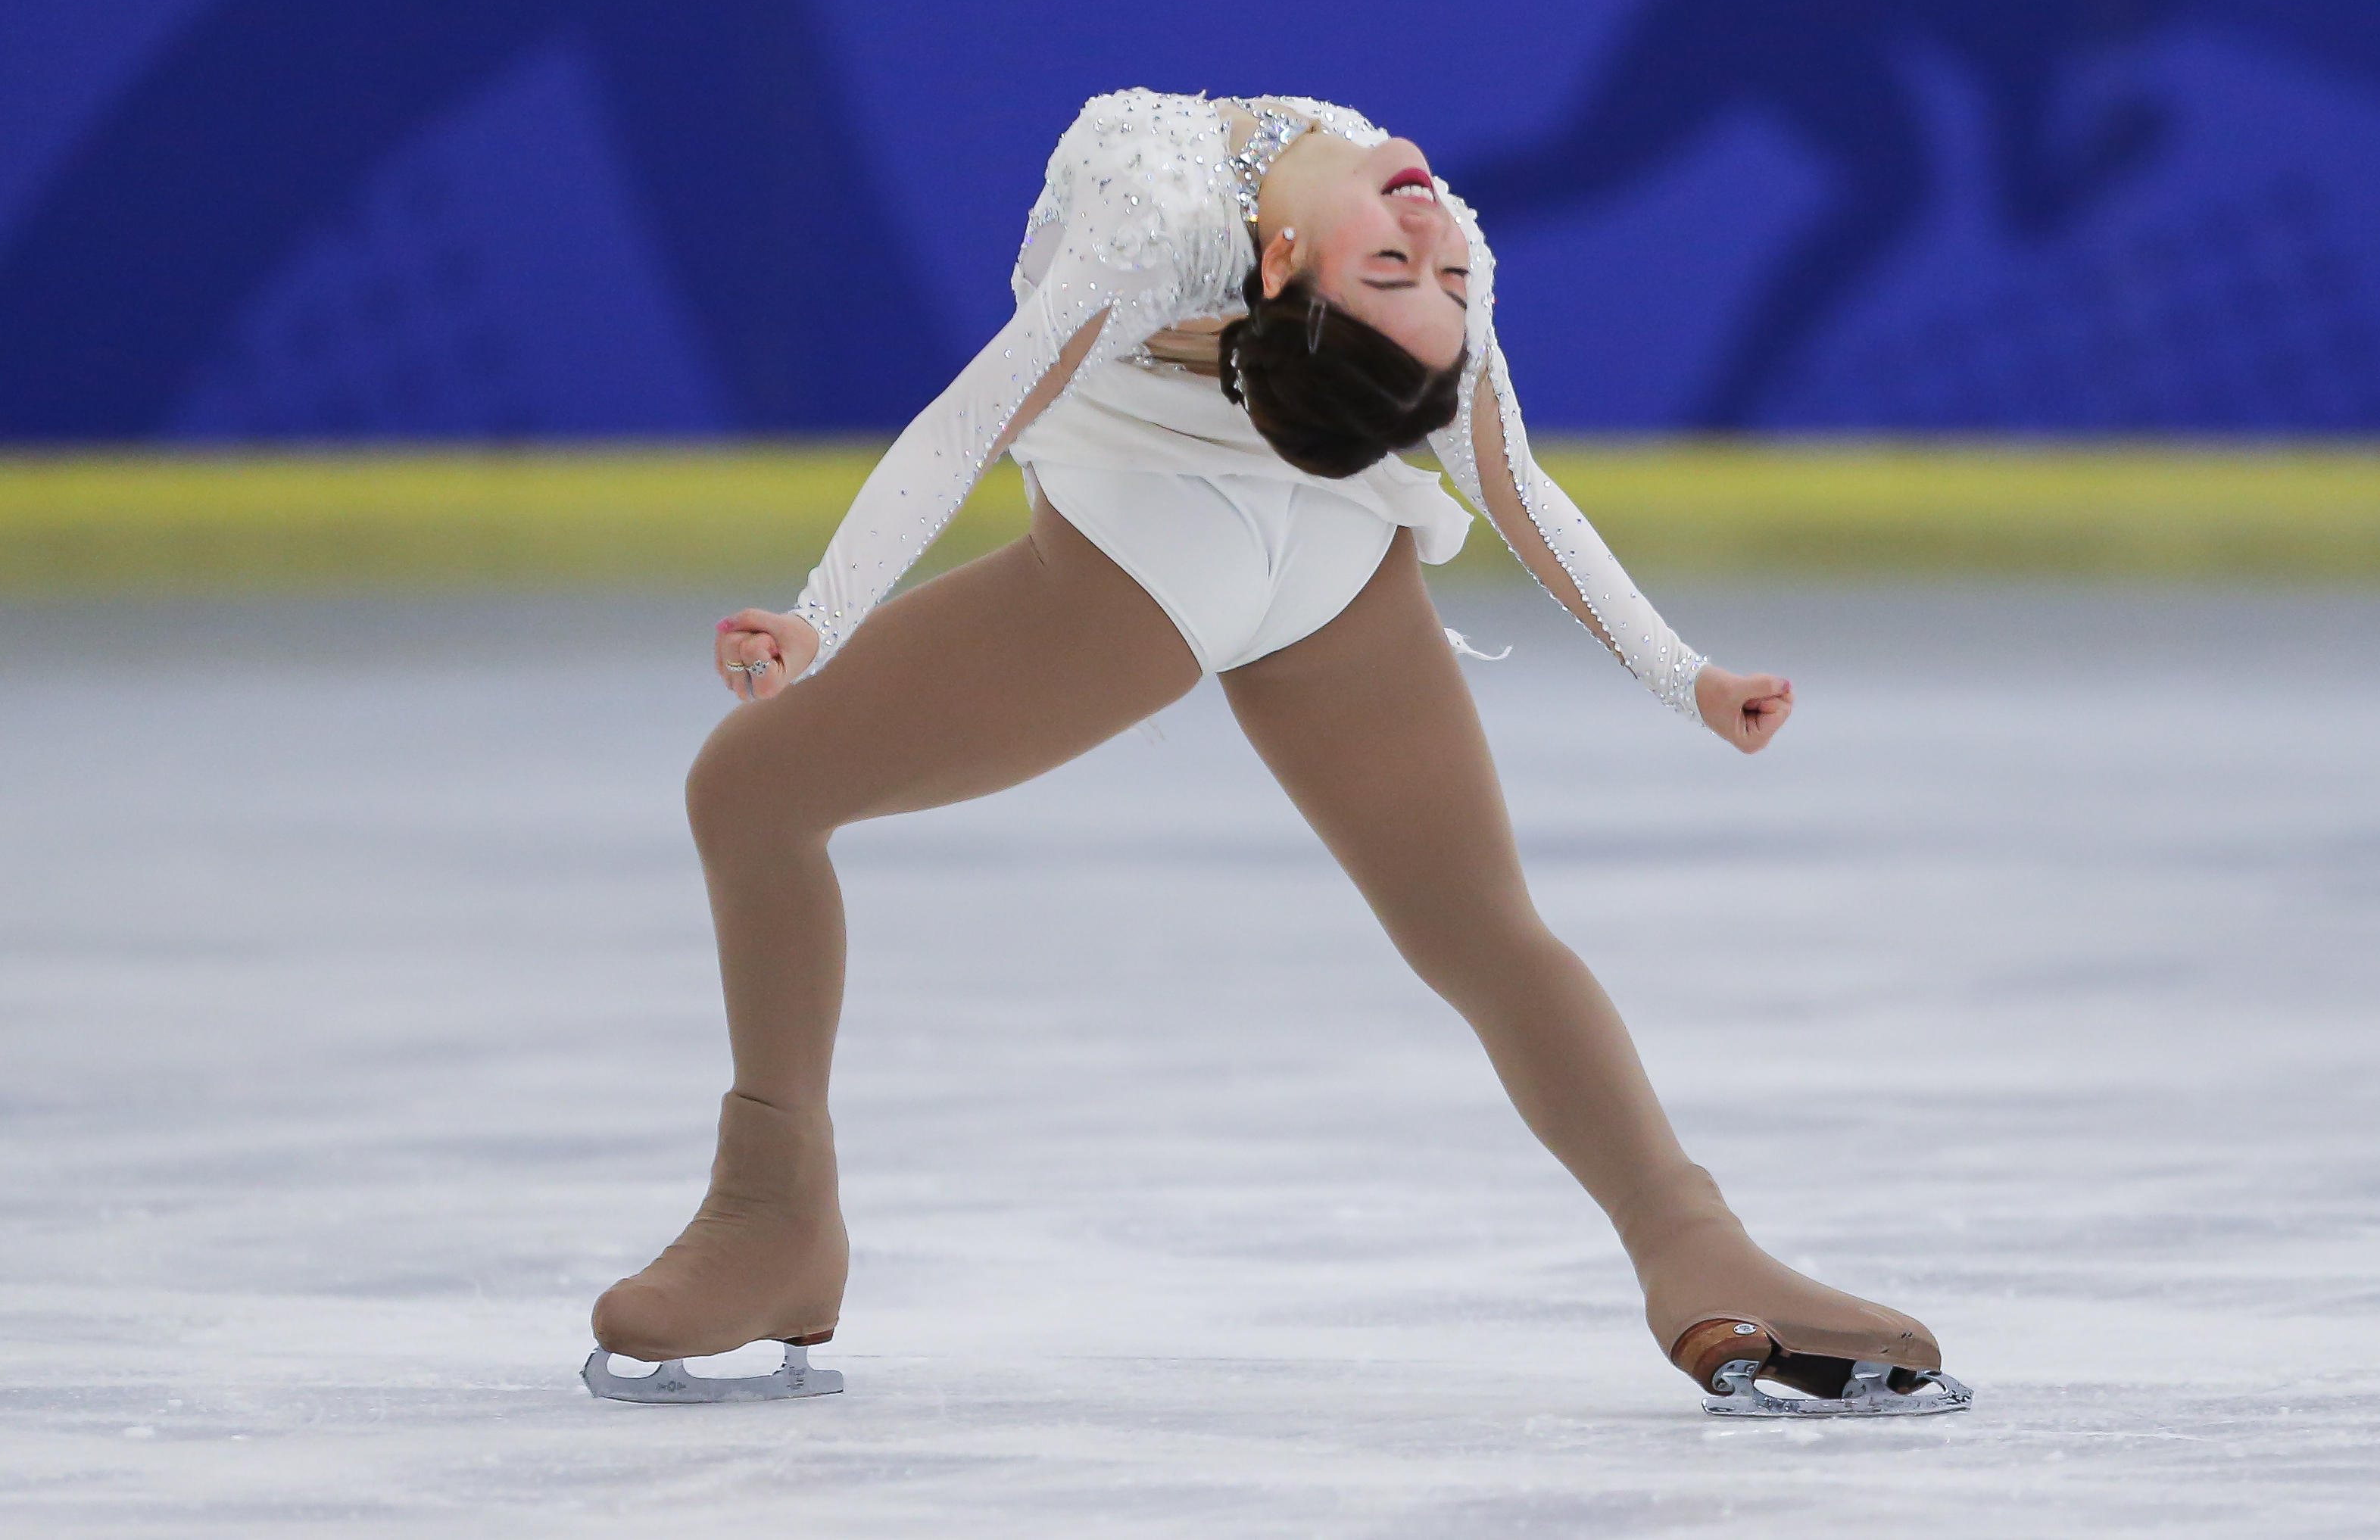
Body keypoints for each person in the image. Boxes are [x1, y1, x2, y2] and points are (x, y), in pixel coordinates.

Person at [585, 89, 1966, 1416]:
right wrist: (1692, 679)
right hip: (1331, 557)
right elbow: (1503, 482)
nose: (1435, 242)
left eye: (1407, 270)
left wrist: (818, 620)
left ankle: (774, 1221)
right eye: (1417, 269)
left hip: (1159, 549)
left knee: (749, 791)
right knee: (1483, 930)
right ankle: (1691, 1246)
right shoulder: (1381, 220)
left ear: (1287, 270)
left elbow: (985, 415)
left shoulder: (1165, 215)